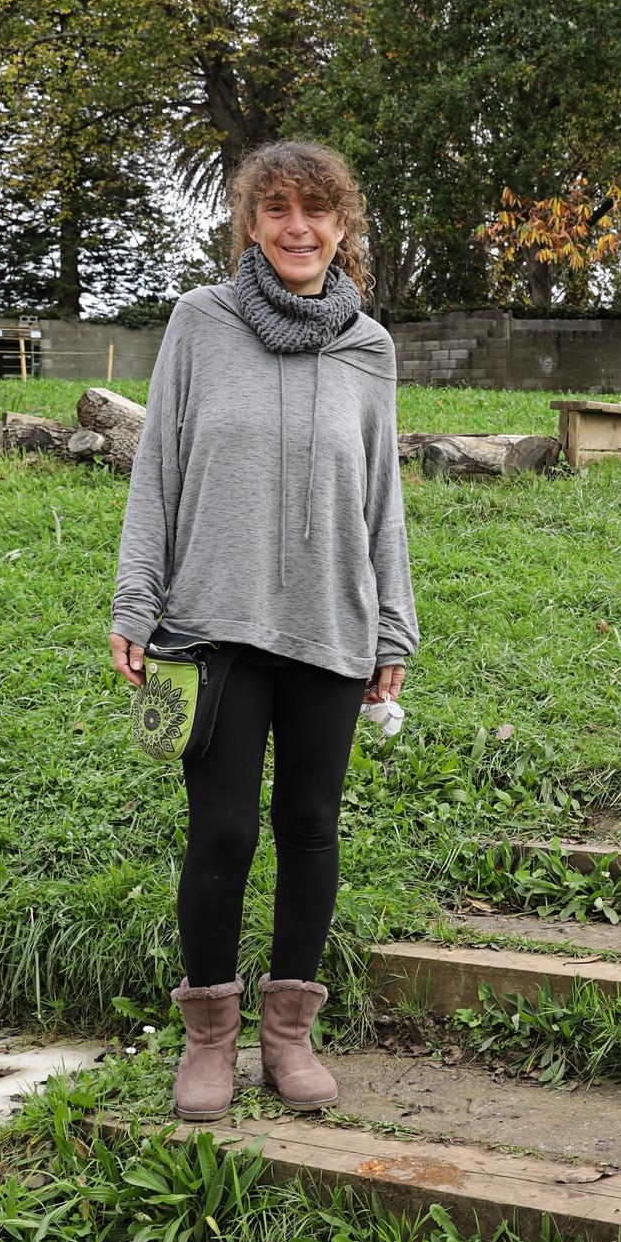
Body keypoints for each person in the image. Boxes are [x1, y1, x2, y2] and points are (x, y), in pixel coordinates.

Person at [109, 141, 418, 1123]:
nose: (296, 227)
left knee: (310, 825)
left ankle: (287, 1035)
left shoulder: (369, 347)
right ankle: (208, 1039)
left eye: (314, 210)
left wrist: (393, 626)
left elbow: (381, 497)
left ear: (340, 225)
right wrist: (133, 600)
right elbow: (158, 460)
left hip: (331, 621)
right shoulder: (199, 325)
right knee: (226, 829)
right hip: (213, 624)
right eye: (275, 208)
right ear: (249, 223)